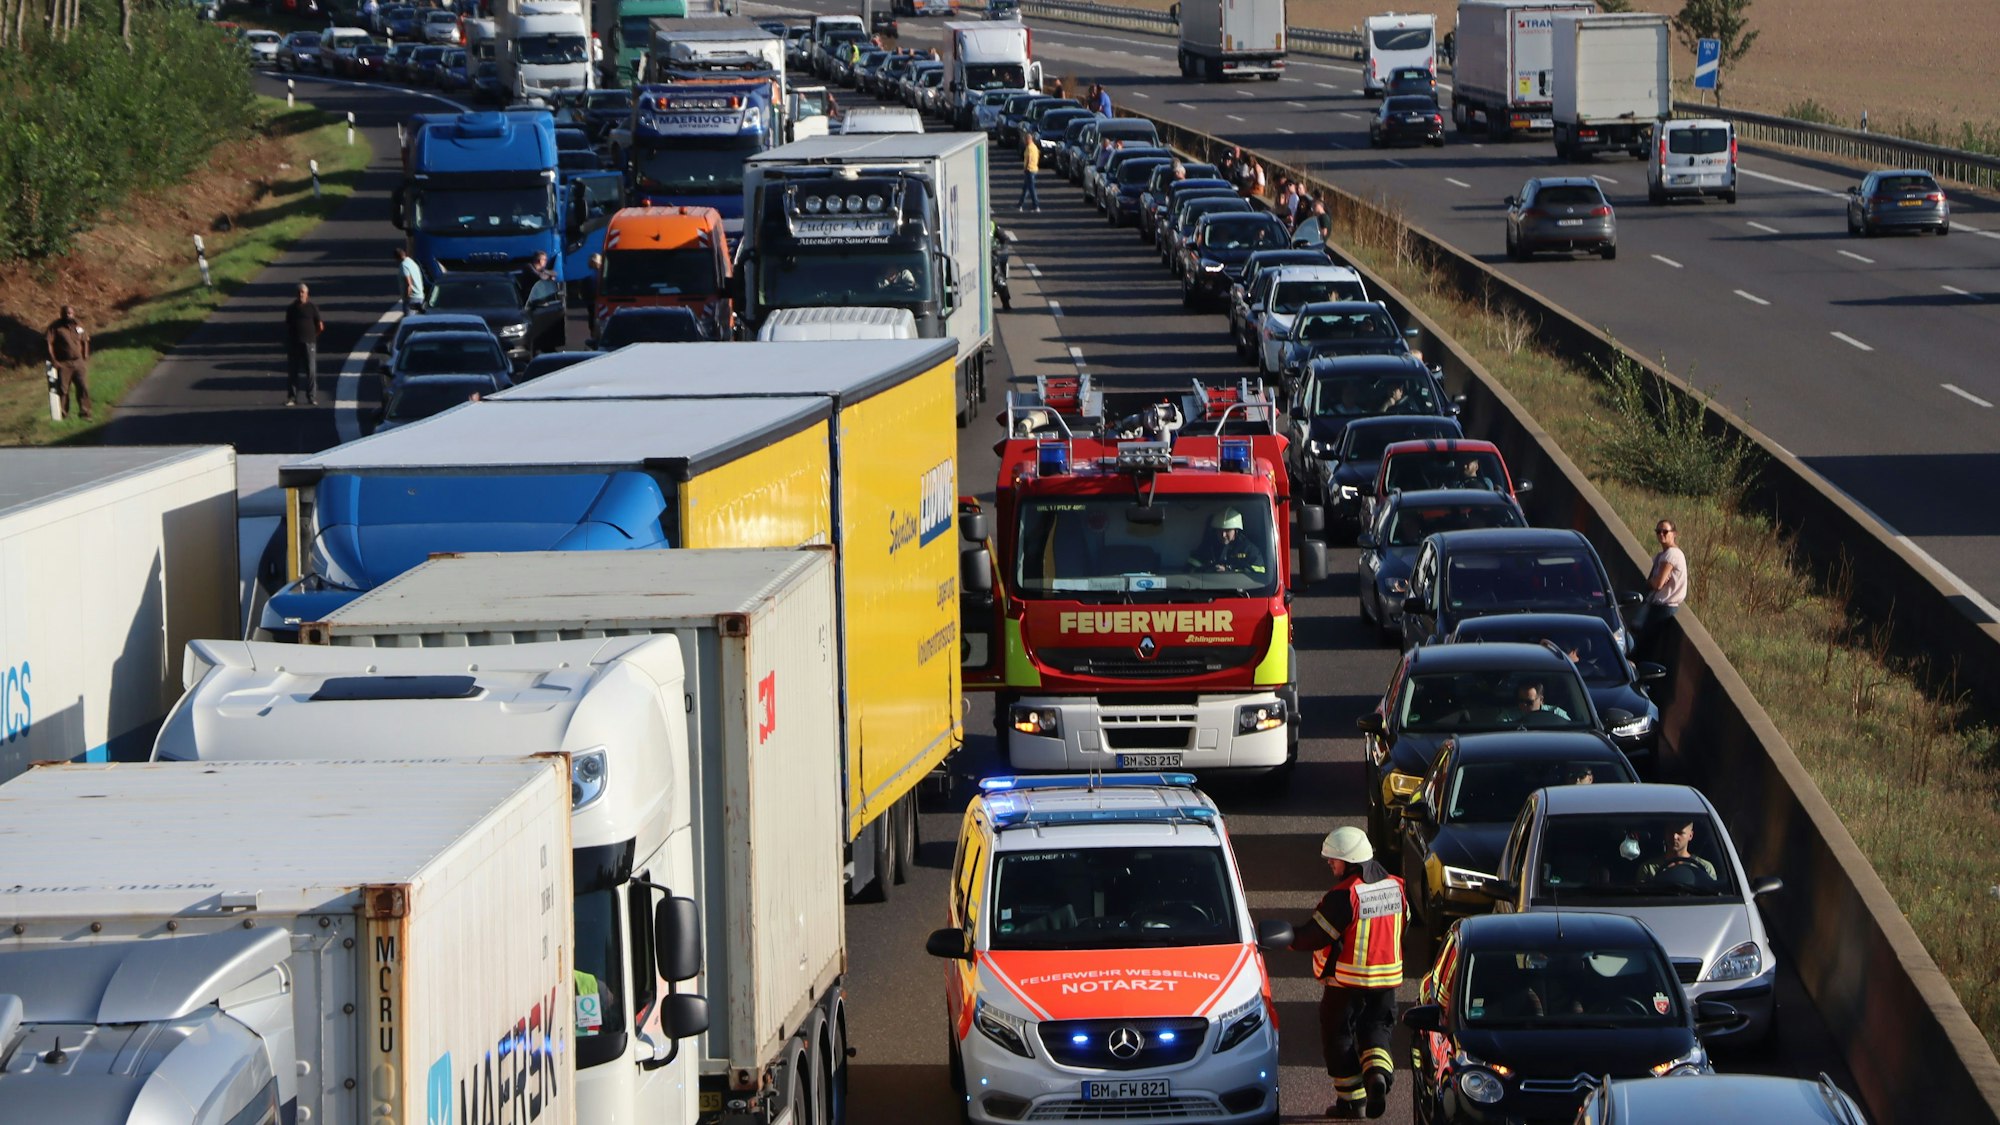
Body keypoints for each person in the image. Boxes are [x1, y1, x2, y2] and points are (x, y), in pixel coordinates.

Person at [1290, 826, 1405, 1120]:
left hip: (1347, 982)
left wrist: (1289, 938)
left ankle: (1352, 1101)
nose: (1330, 863)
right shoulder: (1397, 886)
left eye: (1334, 859)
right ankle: (1377, 1076)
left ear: (1351, 861)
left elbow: (1315, 936)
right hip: (1387, 981)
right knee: (1377, 1030)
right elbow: (1402, 923)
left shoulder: (1345, 895)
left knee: (1337, 1035)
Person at [1634, 520, 1687, 655]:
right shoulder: (1662, 555)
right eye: (1658, 532)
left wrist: (1653, 581)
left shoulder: (1671, 555)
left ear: (1674, 534)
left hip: (1664, 608)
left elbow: (1657, 584)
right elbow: (1652, 581)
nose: (1661, 534)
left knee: (1644, 647)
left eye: (1665, 531)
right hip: (1659, 607)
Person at [44, 304, 92, 421]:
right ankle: (63, 414)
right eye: (65, 313)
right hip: (63, 363)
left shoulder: (78, 325)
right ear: (61, 314)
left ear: (73, 313)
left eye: (70, 313)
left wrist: (85, 354)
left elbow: (85, 340)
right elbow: (49, 343)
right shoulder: (55, 327)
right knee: (63, 390)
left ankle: (85, 413)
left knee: (83, 387)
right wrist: (54, 360)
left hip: (78, 362)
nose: (68, 315)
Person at [1188, 509, 1268, 577]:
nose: (1223, 535)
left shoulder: (1249, 549)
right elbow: (1191, 567)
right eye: (1220, 531)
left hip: (1239, 591)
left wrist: (1230, 570)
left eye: (1227, 530)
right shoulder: (1208, 546)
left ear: (1236, 531)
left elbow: (1259, 572)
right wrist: (1209, 569)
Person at [1638, 819, 1718, 882]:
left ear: (1690, 835)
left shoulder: (1705, 868)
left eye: (1680, 832)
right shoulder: (1649, 868)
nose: (1674, 836)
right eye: (1670, 831)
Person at [1505, 681, 1571, 723]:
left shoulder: (1557, 713)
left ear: (1541, 700)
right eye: (1520, 701)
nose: (1523, 705)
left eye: (1528, 702)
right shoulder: (1508, 717)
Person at [395, 247, 425, 314]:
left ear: (397, 258)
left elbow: (409, 284)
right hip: (420, 296)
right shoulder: (412, 262)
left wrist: (407, 298)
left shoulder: (404, 265)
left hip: (412, 298)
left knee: (409, 320)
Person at [1018, 135, 1042, 211]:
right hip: (1034, 169)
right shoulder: (1034, 147)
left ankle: (1036, 206)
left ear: (1028, 140)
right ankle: (1020, 204)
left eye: (1025, 140)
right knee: (1025, 188)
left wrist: (1026, 168)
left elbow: (1029, 158)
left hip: (1030, 170)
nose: (1024, 142)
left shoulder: (1029, 148)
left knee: (1031, 189)